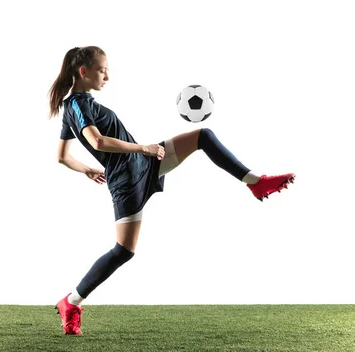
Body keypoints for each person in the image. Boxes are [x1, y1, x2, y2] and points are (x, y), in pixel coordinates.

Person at [48, 46, 295, 335]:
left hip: (143, 163)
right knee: (124, 251)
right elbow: (98, 141)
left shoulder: (74, 107)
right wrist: (141, 147)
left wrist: (87, 168)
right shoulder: (77, 105)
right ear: (84, 72)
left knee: (203, 136)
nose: (108, 76)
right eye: (103, 69)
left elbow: (63, 157)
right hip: (127, 179)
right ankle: (71, 302)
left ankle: (255, 182)